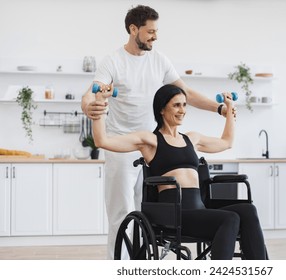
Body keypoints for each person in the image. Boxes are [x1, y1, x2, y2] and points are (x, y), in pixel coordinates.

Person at [81, 5, 230, 259]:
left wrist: (218, 109)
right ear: (133, 29)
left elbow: (186, 93)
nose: (155, 36)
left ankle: (144, 263)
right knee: (121, 213)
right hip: (122, 145)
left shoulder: (159, 60)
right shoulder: (113, 61)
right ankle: (119, 267)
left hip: (152, 146)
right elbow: (91, 93)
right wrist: (90, 106)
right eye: (150, 31)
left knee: (148, 212)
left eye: (156, 31)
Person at [92, 84, 268, 260]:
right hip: (174, 214)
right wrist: (100, 102)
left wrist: (229, 110)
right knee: (230, 219)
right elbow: (102, 141)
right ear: (162, 109)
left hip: (199, 209)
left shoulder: (192, 138)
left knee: (248, 211)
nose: (182, 110)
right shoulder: (150, 141)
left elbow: (226, 142)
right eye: (176, 105)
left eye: (184, 105)